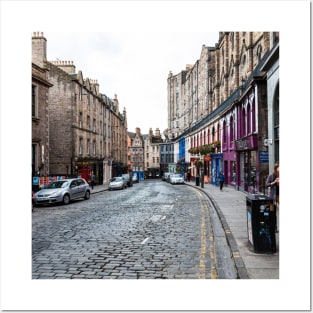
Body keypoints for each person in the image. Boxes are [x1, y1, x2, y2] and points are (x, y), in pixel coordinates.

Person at [266, 163, 279, 232]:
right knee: (272, 212)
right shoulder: (271, 175)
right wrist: (274, 182)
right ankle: (274, 227)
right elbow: (267, 184)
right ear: (276, 168)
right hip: (272, 197)